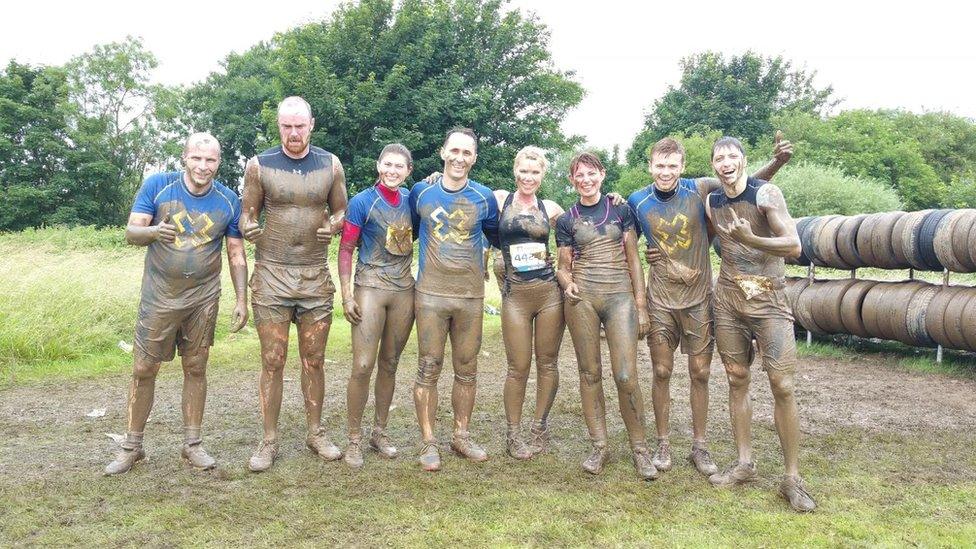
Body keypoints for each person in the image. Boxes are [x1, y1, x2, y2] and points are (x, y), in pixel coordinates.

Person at [627, 134, 792, 477]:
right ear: (650, 166)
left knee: (700, 373)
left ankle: (699, 446)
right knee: (661, 371)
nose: (666, 172)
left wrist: (776, 163)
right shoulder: (637, 200)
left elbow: (742, 186)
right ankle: (662, 442)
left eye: (673, 165)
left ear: (683, 167)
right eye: (660, 165)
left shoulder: (701, 189)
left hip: (701, 298)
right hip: (661, 299)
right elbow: (624, 238)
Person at [105, 132, 248, 475]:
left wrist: (242, 298)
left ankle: (193, 444)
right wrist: (154, 232)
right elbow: (130, 233)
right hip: (159, 296)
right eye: (196, 158)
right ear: (184, 157)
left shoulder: (229, 200)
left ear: (218, 162)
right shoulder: (158, 186)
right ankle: (132, 445)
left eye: (210, 159)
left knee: (196, 367)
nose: (203, 166)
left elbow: (236, 252)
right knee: (143, 369)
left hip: (203, 298)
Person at [704, 136, 815, 512]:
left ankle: (792, 478)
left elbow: (794, 245)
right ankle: (745, 463)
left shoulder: (768, 194)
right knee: (737, 378)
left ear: (744, 160)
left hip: (769, 297)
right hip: (729, 299)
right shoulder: (711, 200)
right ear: (714, 165)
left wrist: (751, 238)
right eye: (719, 157)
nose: (726, 162)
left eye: (733, 156)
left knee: (782, 384)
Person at [239, 96, 348, 472]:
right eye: (287, 126)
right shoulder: (259, 165)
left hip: (314, 274)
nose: (294, 133)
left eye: (300, 126)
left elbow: (342, 210)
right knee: (272, 360)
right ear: (278, 126)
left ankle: (315, 432)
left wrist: (334, 225)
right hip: (271, 274)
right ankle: (268, 440)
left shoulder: (330, 164)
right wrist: (249, 227)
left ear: (311, 125)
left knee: (314, 359)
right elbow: (246, 215)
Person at [555, 151, 656, 480]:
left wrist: (641, 305)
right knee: (589, 373)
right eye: (578, 175)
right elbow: (562, 266)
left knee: (626, 375)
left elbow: (634, 260)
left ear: (602, 174)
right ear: (572, 180)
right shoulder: (566, 220)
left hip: (620, 299)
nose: (585, 180)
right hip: (582, 300)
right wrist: (568, 283)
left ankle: (640, 448)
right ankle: (599, 446)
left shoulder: (622, 210)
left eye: (591, 173)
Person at [409, 127, 499, 472]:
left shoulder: (485, 198)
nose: (460, 158)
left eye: (467, 153)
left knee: (467, 368)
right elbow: (403, 228)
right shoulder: (421, 192)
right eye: (454, 151)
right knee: (428, 366)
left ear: (474, 158)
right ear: (442, 152)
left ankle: (461, 435)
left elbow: (496, 236)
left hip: (470, 297)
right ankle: (428, 441)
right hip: (430, 294)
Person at [337, 144, 415, 469]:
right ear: (378, 165)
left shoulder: (413, 200)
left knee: (391, 363)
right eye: (388, 164)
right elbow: (345, 248)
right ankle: (353, 438)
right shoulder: (362, 202)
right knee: (363, 365)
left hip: (403, 290)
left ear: (408, 170)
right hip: (369, 285)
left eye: (400, 166)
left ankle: (379, 432)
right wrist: (346, 294)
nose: (393, 171)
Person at [493, 146, 566, 459]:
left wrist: (613, 200)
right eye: (523, 171)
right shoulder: (499, 199)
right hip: (516, 295)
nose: (528, 177)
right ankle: (513, 434)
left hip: (549, 293)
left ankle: (539, 426)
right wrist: (435, 177)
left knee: (547, 363)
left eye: (535, 172)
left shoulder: (551, 207)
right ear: (515, 171)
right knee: (517, 367)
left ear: (543, 175)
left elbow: (577, 230)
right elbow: (464, 195)